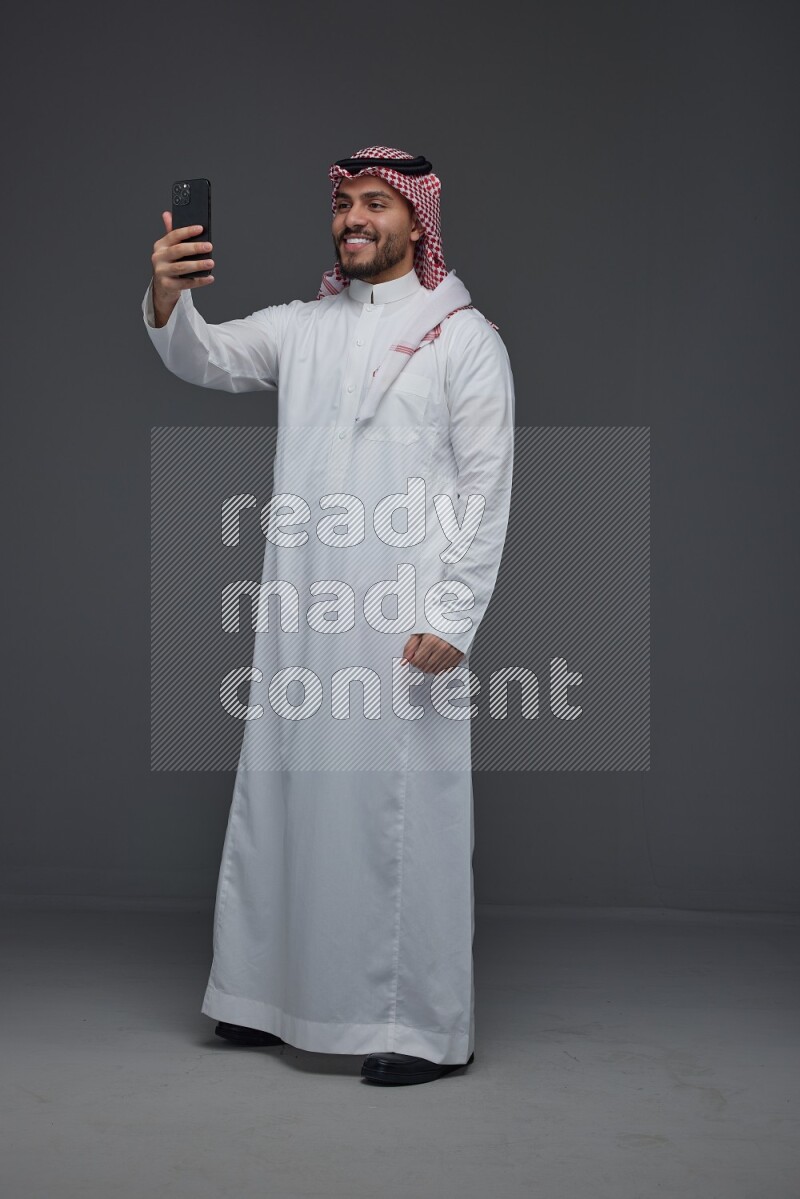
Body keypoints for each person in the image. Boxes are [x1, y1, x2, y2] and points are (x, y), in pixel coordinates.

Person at [142, 146, 515, 1086]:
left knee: (405, 820)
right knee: (286, 796)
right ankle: (264, 997)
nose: (354, 218)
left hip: (403, 631)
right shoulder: (302, 328)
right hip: (302, 620)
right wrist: (165, 297)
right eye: (344, 203)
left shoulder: (465, 340)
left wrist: (455, 614)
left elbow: (487, 488)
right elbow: (207, 355)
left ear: (417, 222)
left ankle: (425, 1026)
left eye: (376, 203)